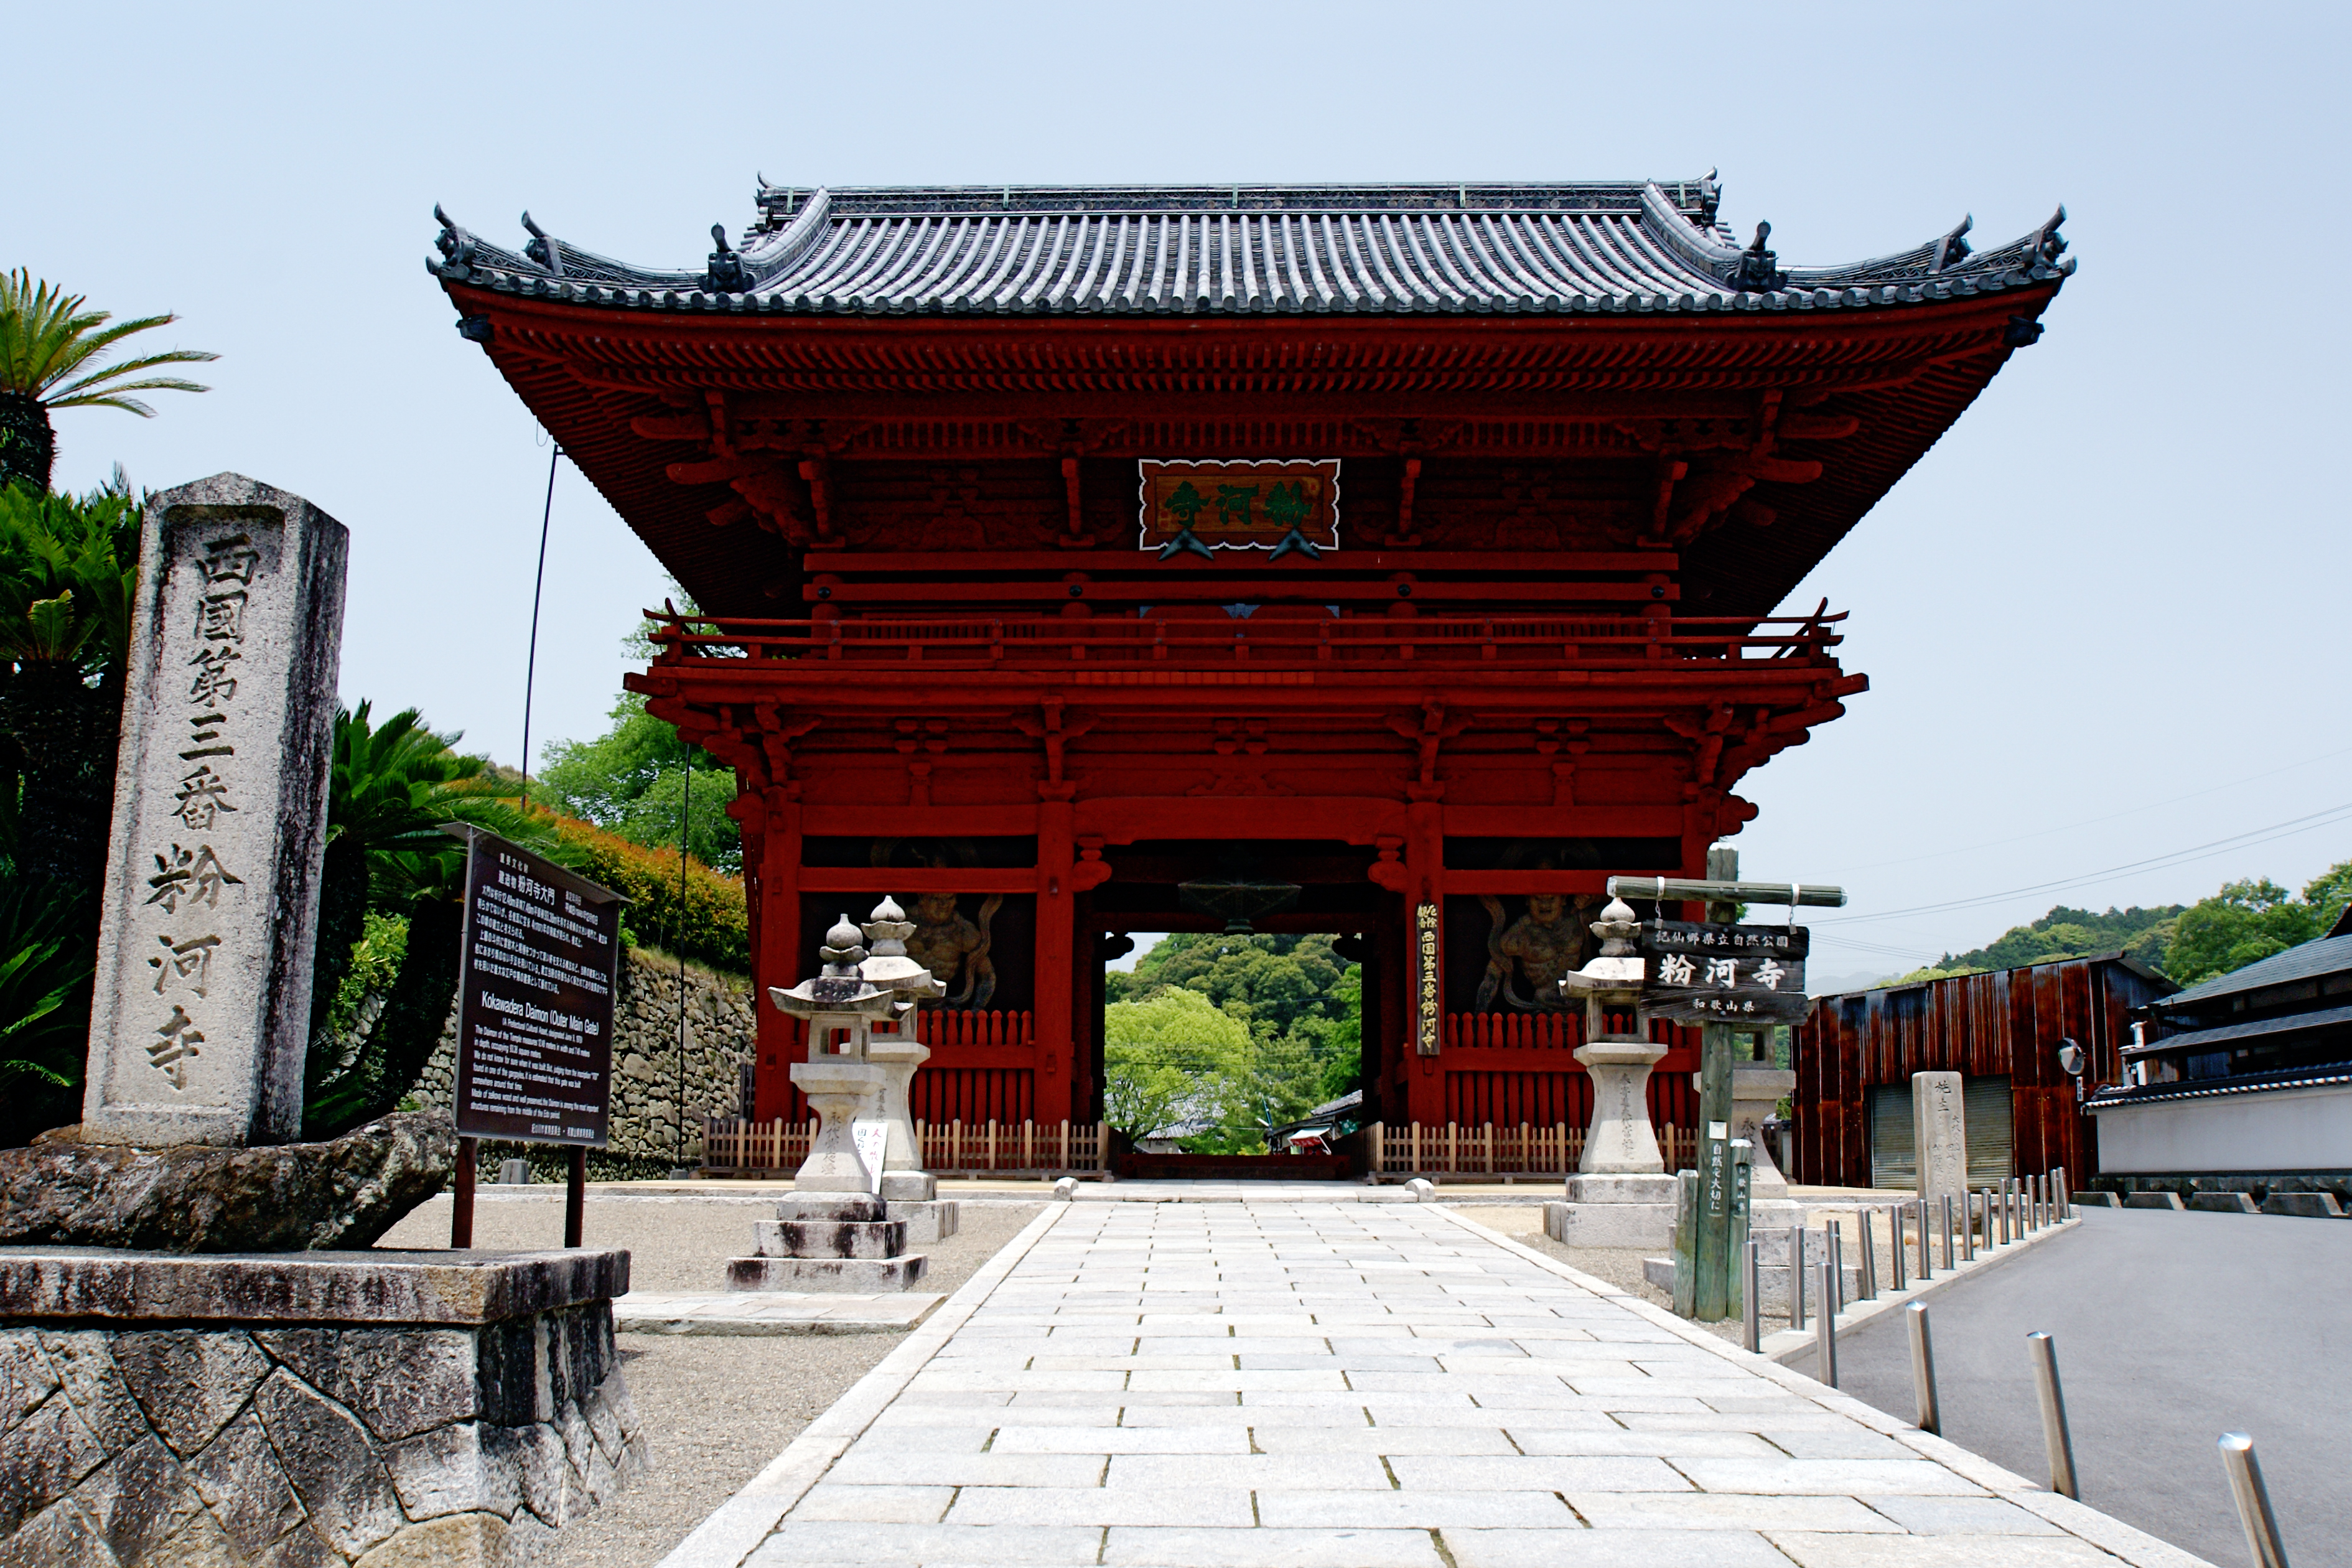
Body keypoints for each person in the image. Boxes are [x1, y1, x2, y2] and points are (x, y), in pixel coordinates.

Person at [906, 891, 996, 1008]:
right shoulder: (904, 924)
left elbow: (988, 975)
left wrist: (977, 1009)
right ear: (922, 898)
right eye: (936, 898)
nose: (943, 904)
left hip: (942, 1006)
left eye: (949, 898)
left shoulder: (963, 931)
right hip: (904, 1002)